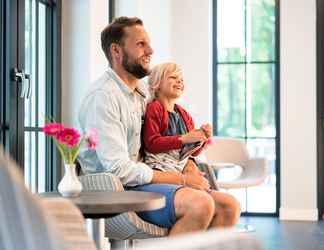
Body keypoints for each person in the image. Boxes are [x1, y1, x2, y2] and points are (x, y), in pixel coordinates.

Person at [78, 16, 240, 235]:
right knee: (200, 204)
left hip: (149, 180)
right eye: (141, 44)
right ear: (116, 51)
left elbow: (169, 140)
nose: (151, 50)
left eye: (149, 43)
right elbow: (119, 170)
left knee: (229, 206)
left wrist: (189, 163)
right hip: (116, 191)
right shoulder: (103, 97)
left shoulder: (146, 93)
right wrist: (182, 179)